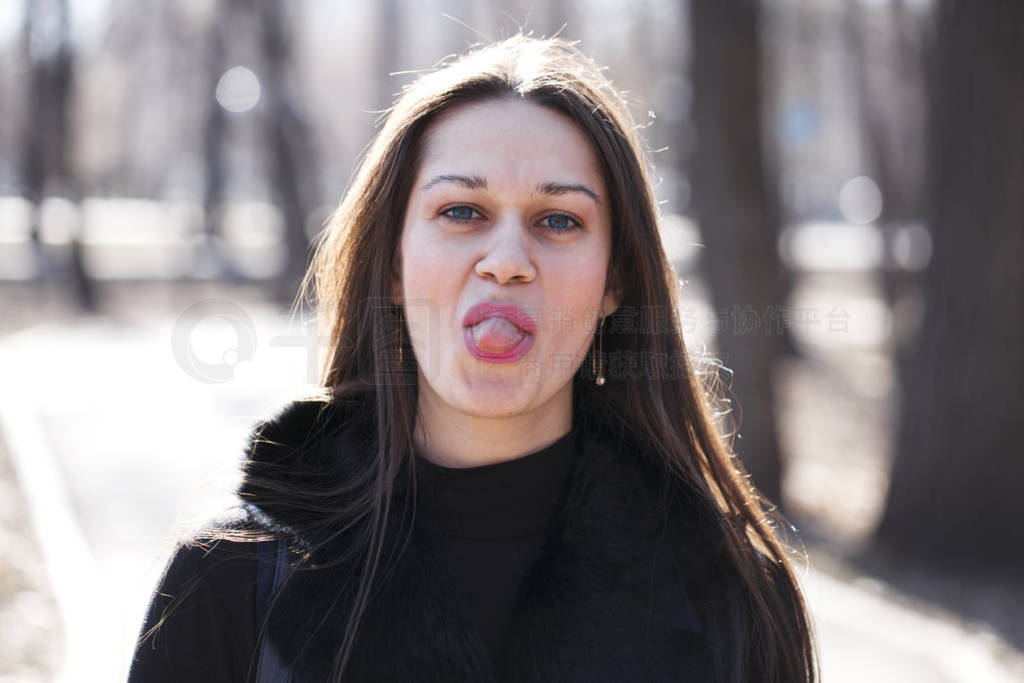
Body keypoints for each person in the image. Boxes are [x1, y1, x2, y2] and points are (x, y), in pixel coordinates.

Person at [128, 35, 817, 682]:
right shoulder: (232, 581)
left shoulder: (732, 598)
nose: (508, 262)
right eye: (462, 212)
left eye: (558, 220)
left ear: (616, 283)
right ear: (393, 265)